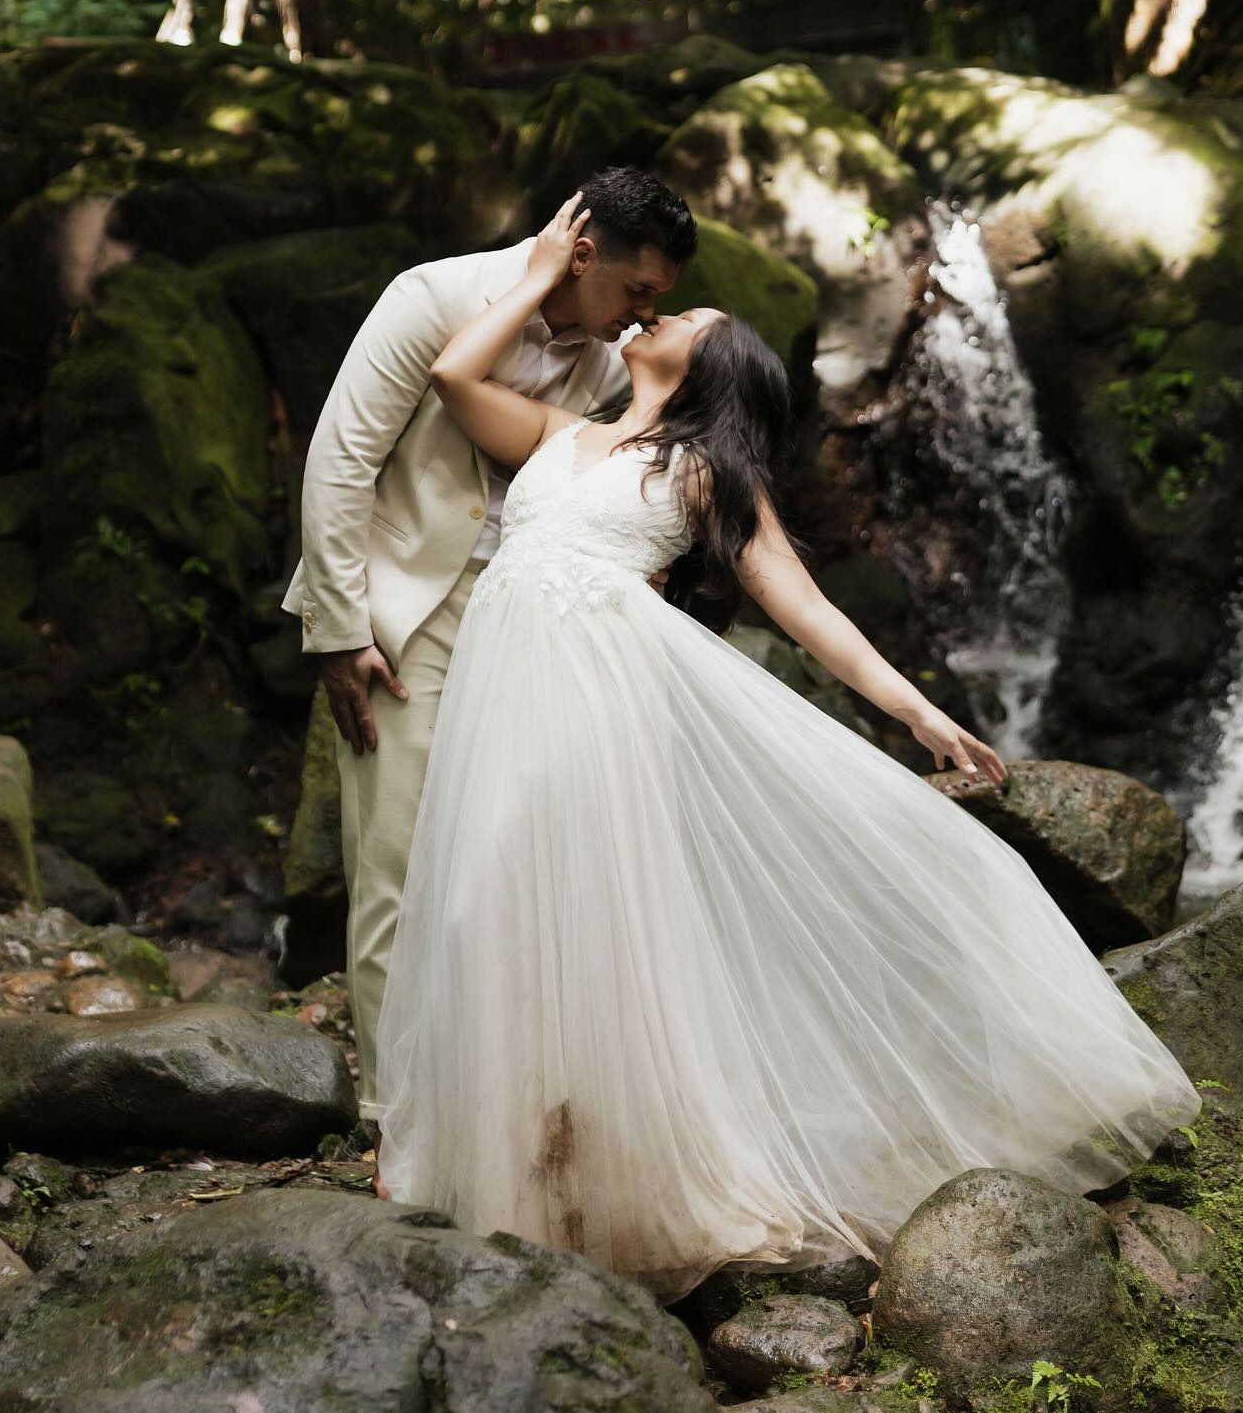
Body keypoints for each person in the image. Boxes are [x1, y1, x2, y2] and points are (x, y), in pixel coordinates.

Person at [374, 195, 1202, 1303]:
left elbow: (807, 610)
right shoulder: (560, 435)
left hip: (597, 700)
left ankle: (627, 1183)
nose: (654, 315)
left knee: (595, 926)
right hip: (503, 693)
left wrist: (915, 710)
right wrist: (535, 275)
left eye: (681, 317)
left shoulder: (703, 471)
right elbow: (452, 378)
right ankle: (517, 1173)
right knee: (492, 907)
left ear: (710, 365)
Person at [281, 168, 698, 1137]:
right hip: (403, 619)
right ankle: (396, 1119)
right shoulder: (431, 297)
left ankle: (493, 1111)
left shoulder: (606, 366)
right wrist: (341, 633)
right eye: (636, 292)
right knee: (396, 862)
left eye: (658, 304)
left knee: (510, 862)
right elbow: (340, 461)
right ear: (581, 254)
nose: (642, 318)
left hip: (530, 621)